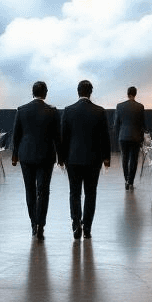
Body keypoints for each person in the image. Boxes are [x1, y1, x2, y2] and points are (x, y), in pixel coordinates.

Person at [59, 79, 111, 240]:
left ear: (78, 92)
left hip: (73, 159)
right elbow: (105, 137)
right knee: (91, 193)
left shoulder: (68, 110)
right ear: (91, 92)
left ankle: (76, 225)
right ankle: (87, 228)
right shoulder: (100, 111)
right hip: (93, 160)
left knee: (74, 193)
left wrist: (61, 158)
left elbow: (63, 137)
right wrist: (106, 158)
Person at [11, 81, 61, 240]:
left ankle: (33, 223)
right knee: (43, 190)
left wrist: (14, 155)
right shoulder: (52, 111)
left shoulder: (22, 110)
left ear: (32, 93)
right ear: (45, 93)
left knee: (30, 190)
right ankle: (41, 224)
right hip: (46, 156)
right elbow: (57, 136)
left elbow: (16, 135)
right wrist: (61, 157)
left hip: (26, 155)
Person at [113, 85, 146, 189]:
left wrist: (119, 134)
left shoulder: (119, 106)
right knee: (134, 160)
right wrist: (142, 137)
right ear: (135, 94)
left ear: (127, 94)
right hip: (136, 137)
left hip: (123, 137)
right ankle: (131, 181)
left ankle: (126, 180)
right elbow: (142, 124)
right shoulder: (140, 107)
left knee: (125, 158)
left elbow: (116, 124)